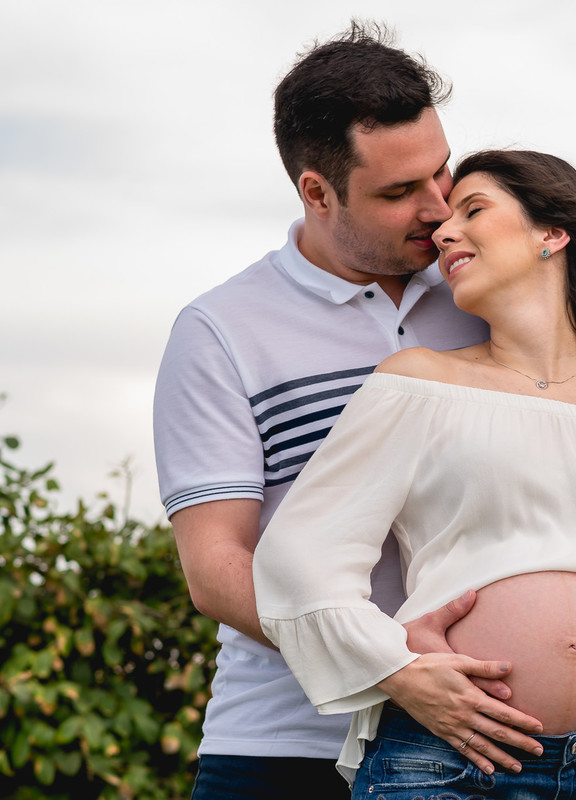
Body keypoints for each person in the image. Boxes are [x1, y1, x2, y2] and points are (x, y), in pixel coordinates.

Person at [253, 149, 576, 799]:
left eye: (474, 210)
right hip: (450, 762)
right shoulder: (418, 384)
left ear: (552, 233)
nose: (443, 232)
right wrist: (396, 668)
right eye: (443, 222)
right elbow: (301, 554)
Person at [152, 23, 545, 799]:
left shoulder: (485, 296)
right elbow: (218, 570)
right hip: (286, 747)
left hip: (490, 744)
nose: (437, 211)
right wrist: (390, 662)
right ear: (317, 191)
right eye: (400, 193)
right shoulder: (220, 331)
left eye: (442, 173)